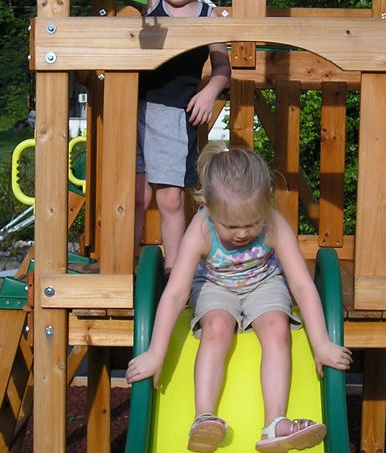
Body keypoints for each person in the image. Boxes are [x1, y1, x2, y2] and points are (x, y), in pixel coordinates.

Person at [125, 143, 353, 453]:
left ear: (266, 201)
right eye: (231, 226)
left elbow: (301, 284)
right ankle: (204, 417)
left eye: (251, 223)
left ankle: (275, 423)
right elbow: (176, 292)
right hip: (214, 285)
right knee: (217, 327)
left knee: (277, 327)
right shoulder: (201, 229)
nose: (243, 233)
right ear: (207, 207)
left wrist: (322, 343)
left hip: (264, 283)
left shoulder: (273, 223)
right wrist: (155, 353)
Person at [102, 0, 231, 276]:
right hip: (135, 108)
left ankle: (176, 273)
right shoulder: (150, 1)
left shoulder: (209, 17)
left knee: (170, 198)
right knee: (135, 196)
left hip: (173, 115)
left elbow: (222, 68)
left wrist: (209, 91)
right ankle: (124, 270)